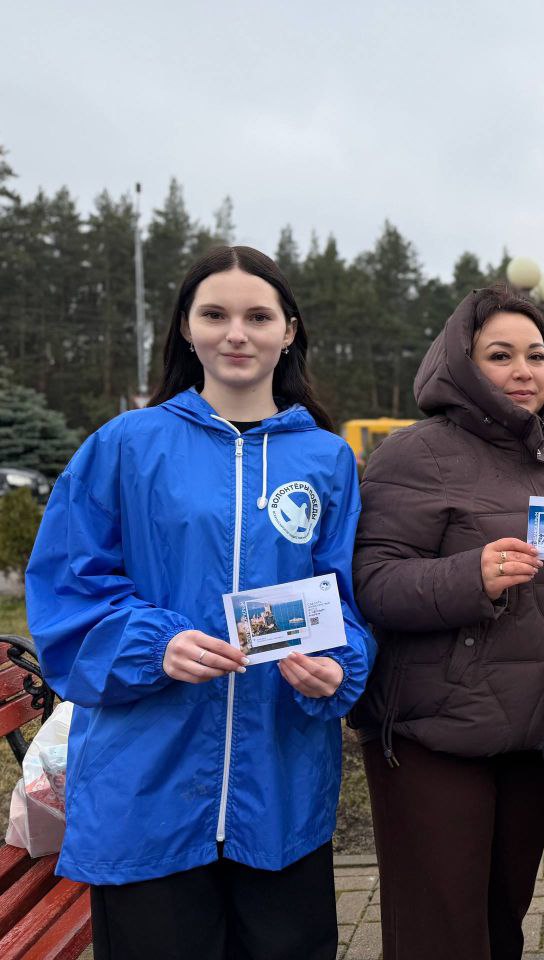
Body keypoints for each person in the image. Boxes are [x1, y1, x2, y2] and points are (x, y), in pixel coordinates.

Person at [25, 245, 374, 960]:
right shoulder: (125, 445)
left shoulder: (328, 459)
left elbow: (345, 598)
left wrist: (339, 665)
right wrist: (154, 646)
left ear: (289, 331)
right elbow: (66, 592)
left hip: (279, 786)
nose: (236, 333)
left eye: (258, 316)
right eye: (215, 315)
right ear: (186, 328)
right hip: (146, 786)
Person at [350, 283, 544, 960]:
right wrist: (471, 577)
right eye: (500, 355)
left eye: (535, 355)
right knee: (442, 935)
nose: (523, 371)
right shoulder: (415, 453)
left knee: (503, 923)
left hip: (533, 729)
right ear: (463, 364)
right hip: (434, 734)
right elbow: (372, 581)